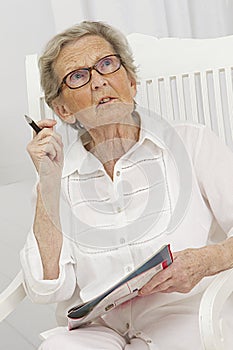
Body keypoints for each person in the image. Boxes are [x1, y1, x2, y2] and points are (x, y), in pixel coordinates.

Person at [20, 20, 233, 350]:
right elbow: (47, 288)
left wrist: (208, 259)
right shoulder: (56, 177)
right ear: (63, 110)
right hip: (97, 330)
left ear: (131, 82)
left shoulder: (192, 142)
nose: (98, 81)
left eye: (107, 64)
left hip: (186, 317)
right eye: (78, 76)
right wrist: (48, 182)